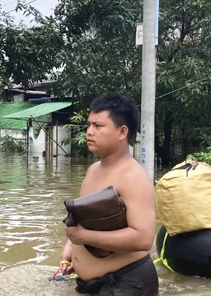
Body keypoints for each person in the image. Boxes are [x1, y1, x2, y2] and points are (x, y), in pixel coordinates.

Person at [59, 94, 158, 296]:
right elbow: (85, 220)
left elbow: (143, 238)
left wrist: (83, 237)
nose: (89, 132)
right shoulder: (93, 170)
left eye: (98, 126)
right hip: (93, 284)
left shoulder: (134, 177)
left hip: (128, 283)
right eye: (88, 125)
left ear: (122, 132)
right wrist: (71, 247)